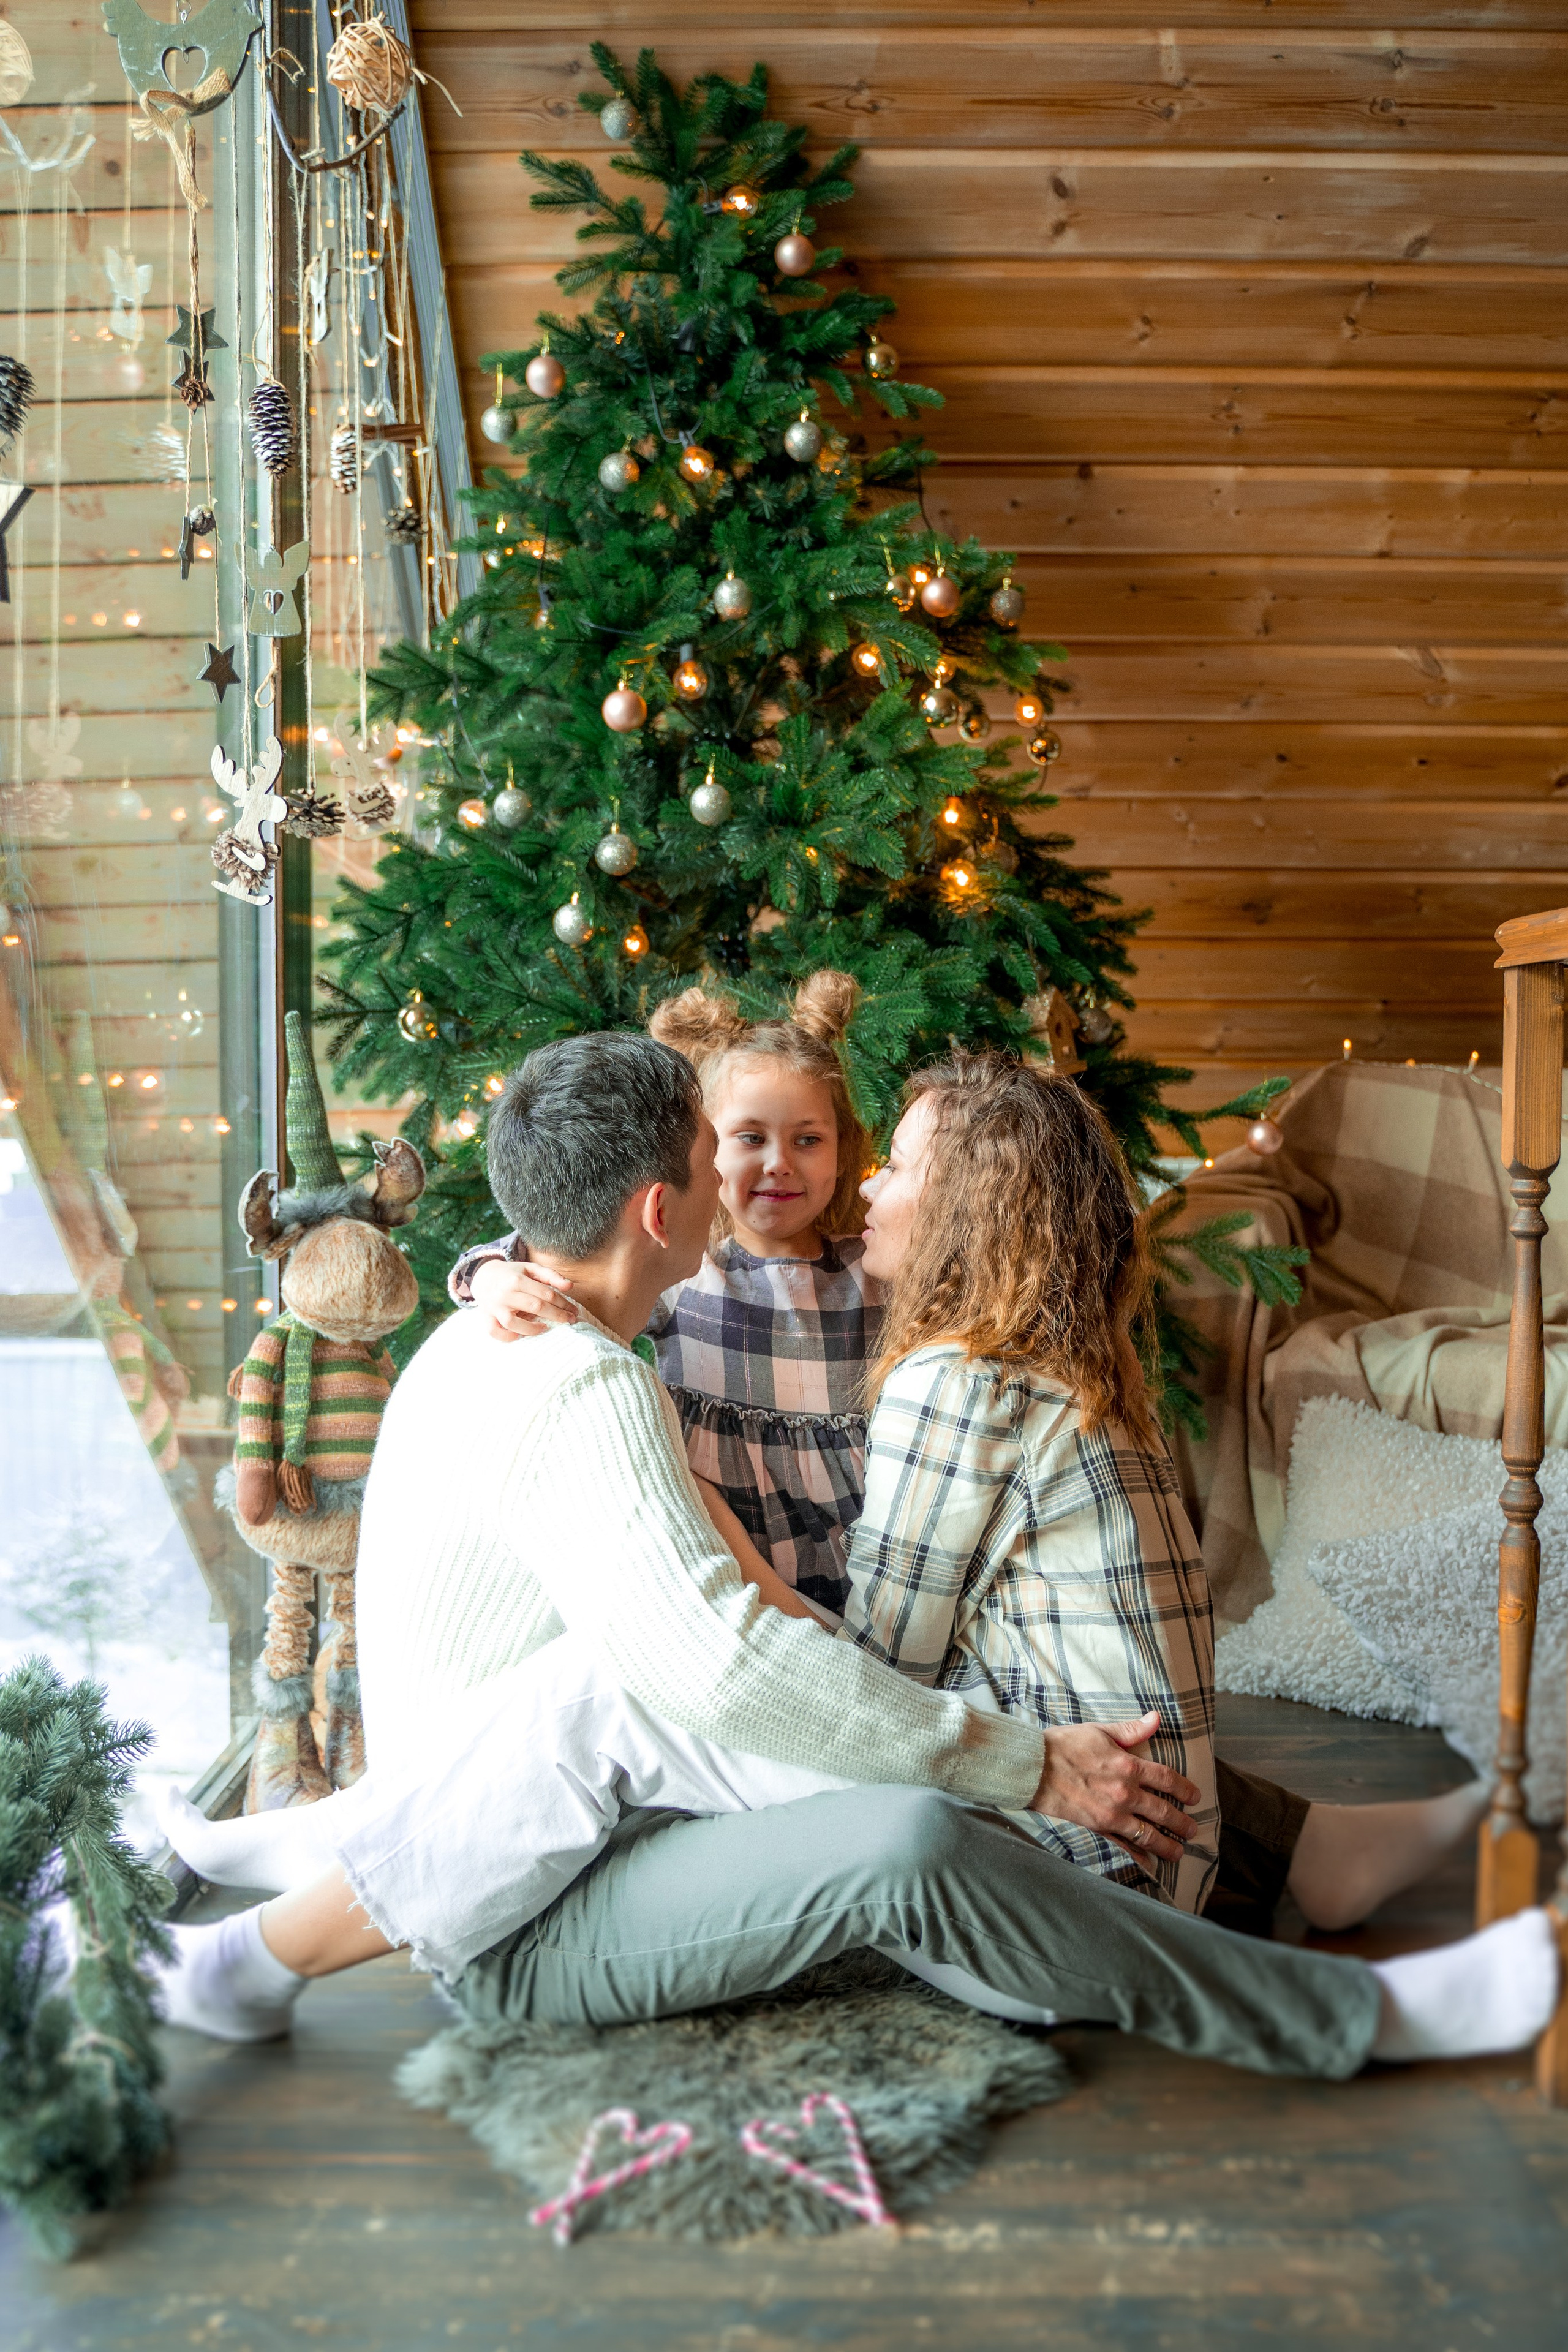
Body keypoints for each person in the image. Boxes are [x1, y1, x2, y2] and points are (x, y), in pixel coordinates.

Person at [156, 1038, 1558, 2076]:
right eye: (718, 1158)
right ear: (666, 1209)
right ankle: (1352, 2015)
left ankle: (287, 1894)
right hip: (529, 1902)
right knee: (839, 1789)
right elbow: (715, 1647)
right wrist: (1016, 1756)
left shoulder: (566, 1346)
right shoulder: (580, 1368)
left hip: (586, 1825)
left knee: (664, 1702)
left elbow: (722, 1626)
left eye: (874, 1158)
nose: (768, 1185)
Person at [462, 1012, 1488, 1940]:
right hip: (1148, 1843)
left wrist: (709, 1531)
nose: (865, 1185)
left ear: (958, 1207)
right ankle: (1310, 1851)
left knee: (757, 1736)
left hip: (1079, 1874)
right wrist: (490, 1270)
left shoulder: (949, 1380)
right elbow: (583, 1239)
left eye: (892, 1166)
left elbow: (883, 1682)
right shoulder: (1034, 1356)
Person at [450, 971, 878, 1618]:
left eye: (808, 1140)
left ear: (843, 1152)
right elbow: (556, 1251)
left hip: (858, 1557)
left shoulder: (869, 1270)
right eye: (750, 1138)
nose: (779, 1162)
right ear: (705, 1151)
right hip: (718, 1560)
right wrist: (487, 1274)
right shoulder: (683, 1270)